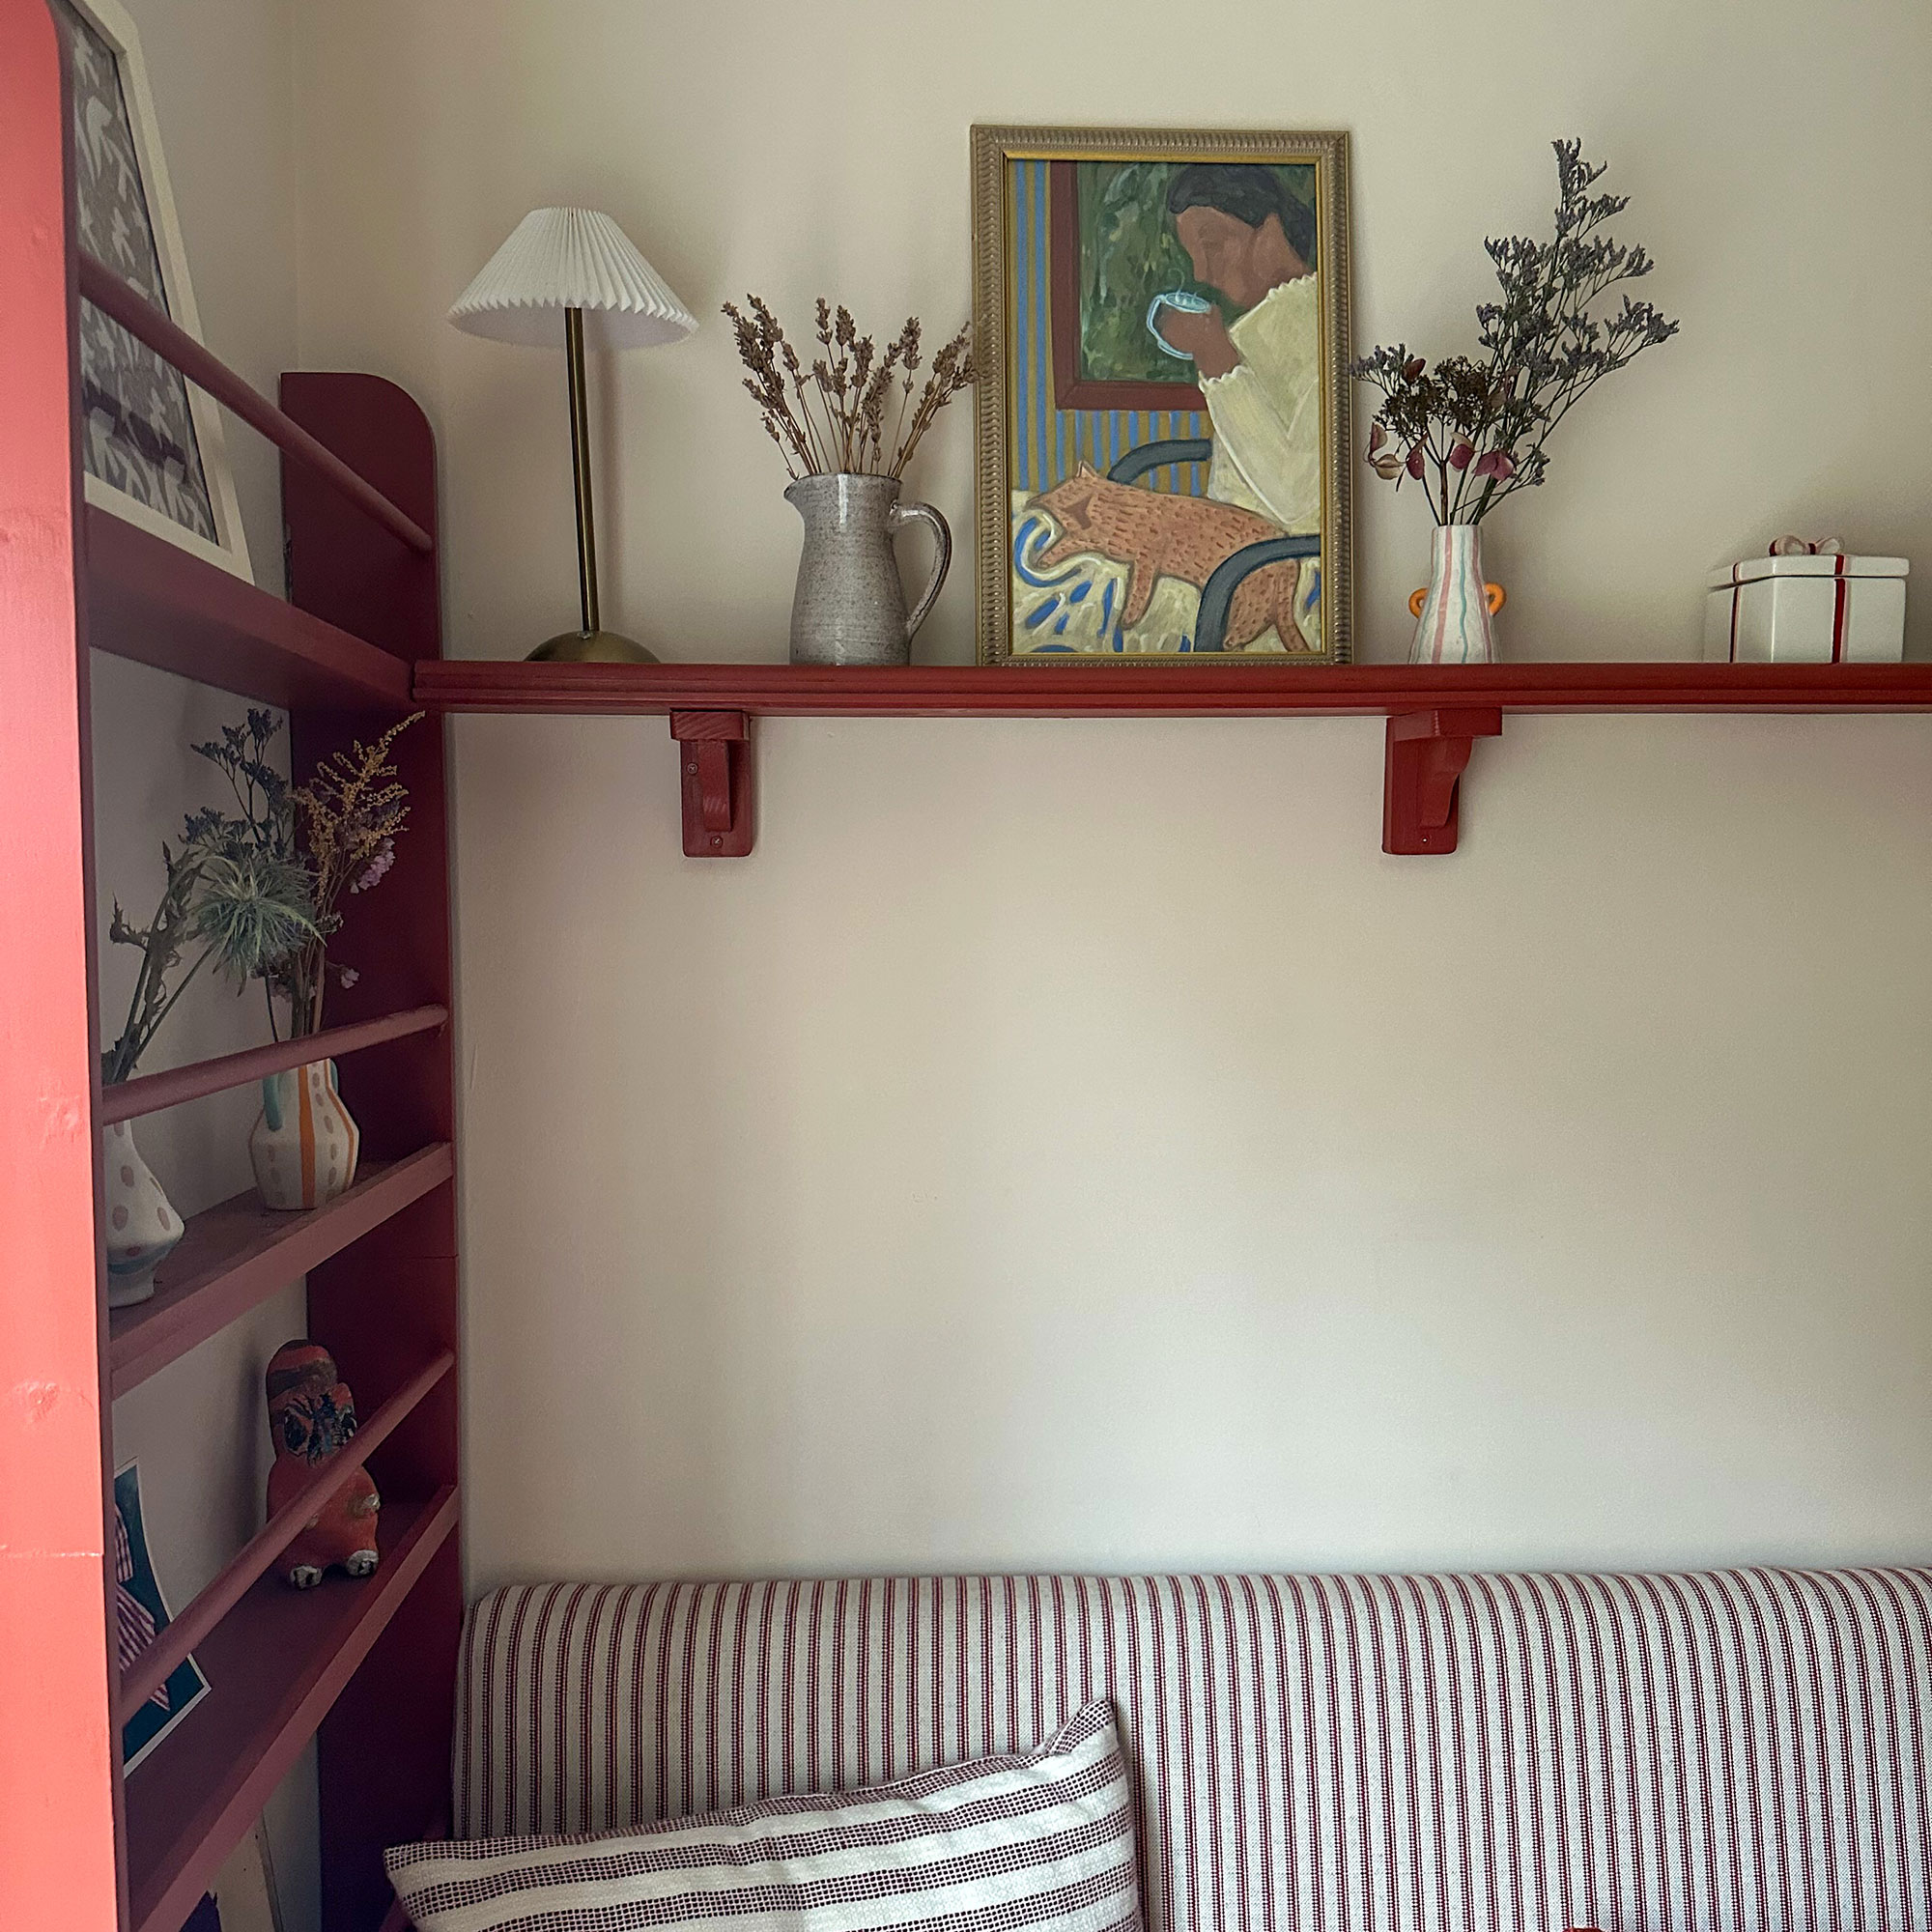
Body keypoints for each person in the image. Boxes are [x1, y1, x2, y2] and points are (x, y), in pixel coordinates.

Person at [1154, 164, 1321, 537]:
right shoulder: (1250, 331)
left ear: (1271, 232)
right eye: (1193, 254)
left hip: (1270, 565)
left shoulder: (1322, 327)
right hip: (1228, 548)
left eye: (1211, 246)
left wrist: (1217, 361)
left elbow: (1297, 499)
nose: (1201, 273)